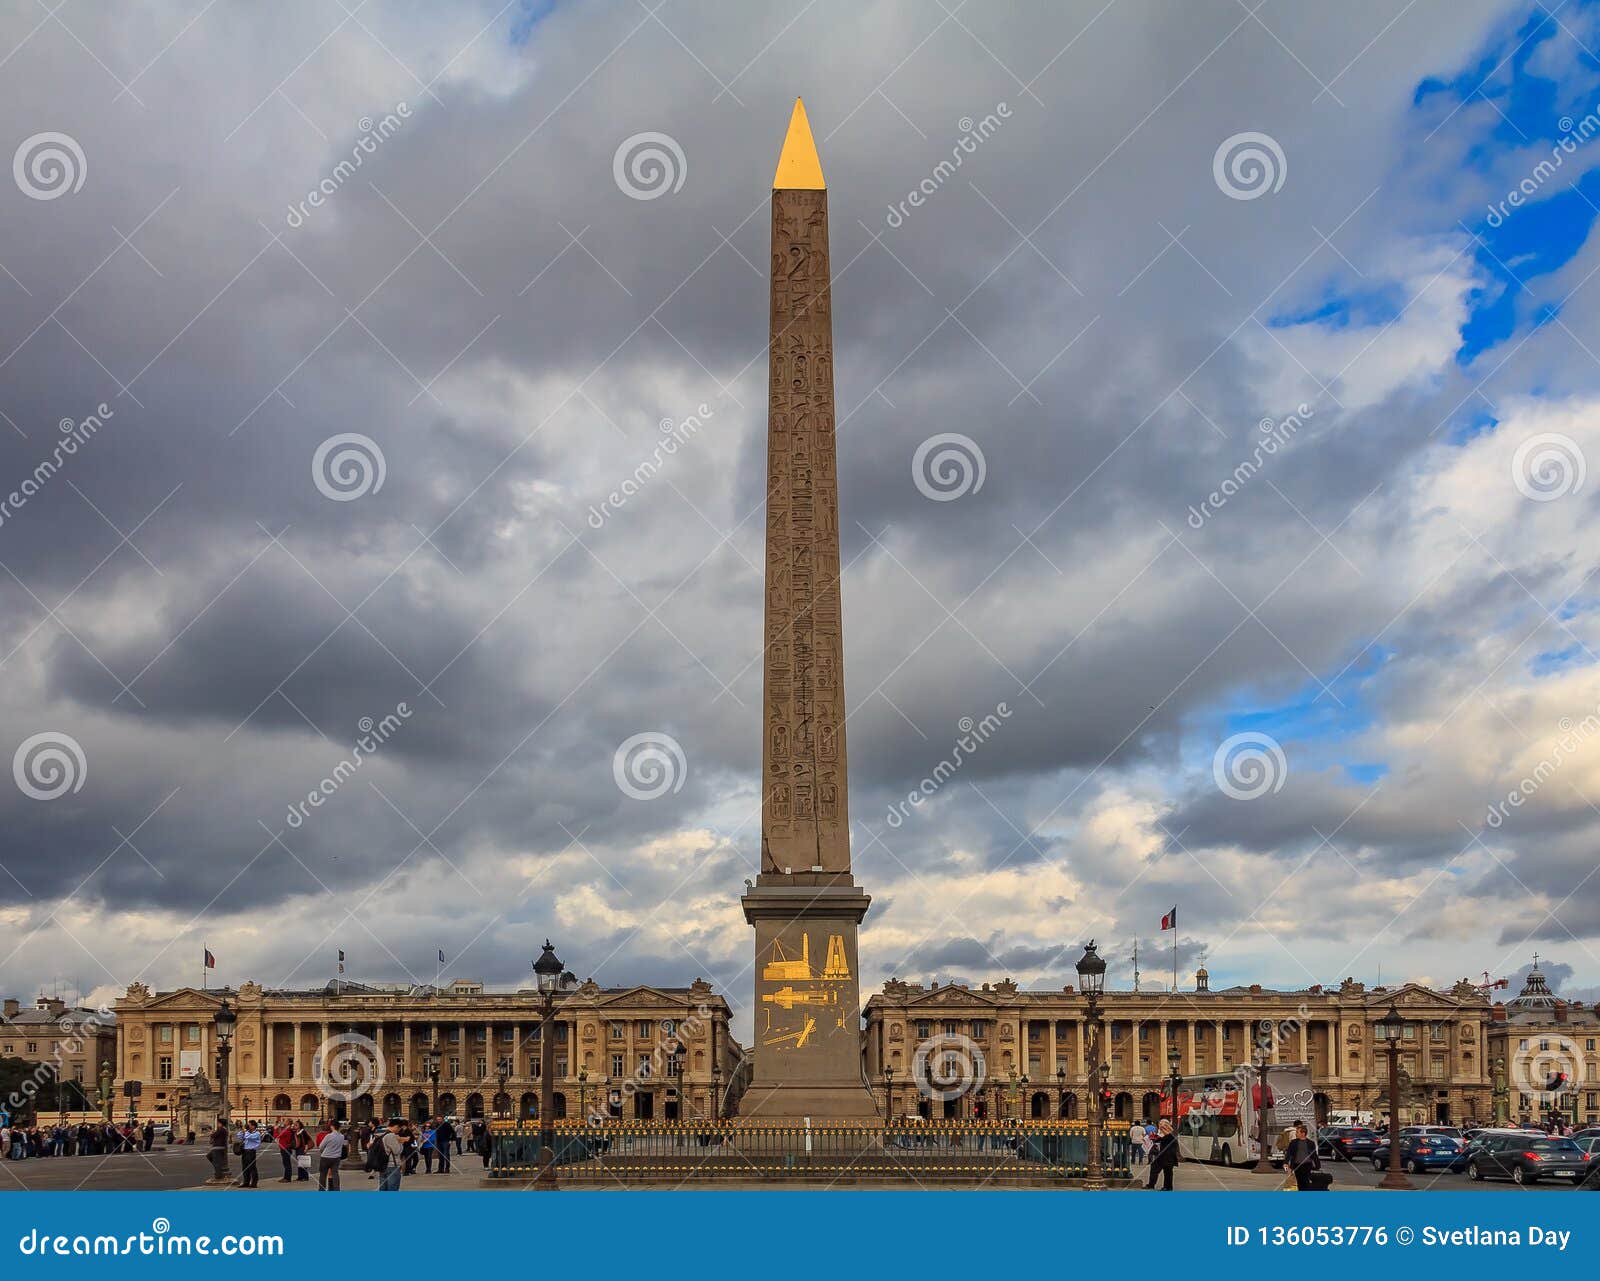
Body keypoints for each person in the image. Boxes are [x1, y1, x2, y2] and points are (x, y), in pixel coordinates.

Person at [1284, 1121, 1322, 1191]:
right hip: (1296, 1165)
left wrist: (1318, 1165)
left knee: (1306, 1181)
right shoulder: (1293, 1142)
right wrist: (1286, 1163)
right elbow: (1289, 1153)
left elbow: (1314, 1155)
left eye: (1297, 1132)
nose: (1296, 1134)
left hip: (1307, 1165)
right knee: (1299, 1182)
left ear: (1303, 1133)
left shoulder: (1310, 1143)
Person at [1147, 1119, 1178, 1190]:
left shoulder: (1168, 1135)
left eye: (1161, 1126)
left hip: (1166, 1157)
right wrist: (1154, 1137)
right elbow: (1159, 1139)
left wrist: (1155, 1137)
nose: (1160, 1127)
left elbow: (1162, 1139)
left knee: (1165, 1172)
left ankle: (1166, 1187)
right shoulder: (1169, 1134)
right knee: (1167, 1172)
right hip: (1165, 1157)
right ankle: (1167, 1187)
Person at [317, 1120, 347, 1191]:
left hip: (326, 1157)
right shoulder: (341, 1136)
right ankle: (336, 1189)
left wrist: (322, 1151)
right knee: (335, 1174)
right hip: (336, 1157)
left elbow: (321, 1146)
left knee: (323, 1175)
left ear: (332, 1126)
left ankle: (322, 1189)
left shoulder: (328, 1136)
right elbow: (344, 1145)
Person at [378, 1120, 406, 1191]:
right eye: (399, 1129)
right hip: (391, 1165)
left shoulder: (379, 1132)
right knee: (392, 1188)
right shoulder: (391, 1135)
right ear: (396, 1126)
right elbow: (397, 1151)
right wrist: (400, 1142)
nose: (399, 1131)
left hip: (381, 1164)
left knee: (383, 1188)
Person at [239, 1121, 262, 1188]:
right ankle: (246, 1182)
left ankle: (254, 1183)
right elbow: (239, 1136)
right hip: (245, 1151)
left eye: (249, 1125)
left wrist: (245, 1131)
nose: (248, 1126)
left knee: (252, 1168)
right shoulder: (247, 1132)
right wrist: (242, 1131)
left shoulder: (257, 1133)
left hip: (251, 1151)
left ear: (253, 1126)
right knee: (245, 1167)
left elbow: (249, 1137)